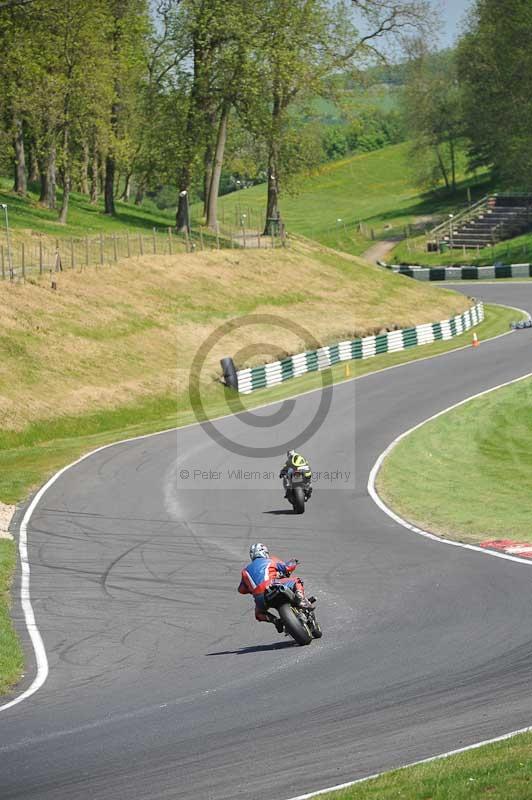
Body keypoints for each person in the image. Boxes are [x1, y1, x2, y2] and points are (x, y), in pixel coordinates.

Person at [238, 542, 313, 632]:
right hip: (272, 585)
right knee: (296, 580)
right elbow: (287, 567)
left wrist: (251, 589)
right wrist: (294, 562)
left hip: (259, 597)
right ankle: (301, 600)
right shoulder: (270, 561)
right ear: (265, 552)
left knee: (259, 614)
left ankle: (276, 621)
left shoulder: (245, 571)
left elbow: (241, 589)